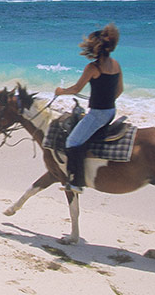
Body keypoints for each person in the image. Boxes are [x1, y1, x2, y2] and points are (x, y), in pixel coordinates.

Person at [53, 23, 124, 193]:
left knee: (72, 141)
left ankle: (76, 182)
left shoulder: (93, 68)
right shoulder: (116, 64)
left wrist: (61, 91)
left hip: (98, 114)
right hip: (111, 112)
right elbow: (120, 90)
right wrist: (106, 100)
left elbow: (76, 89)